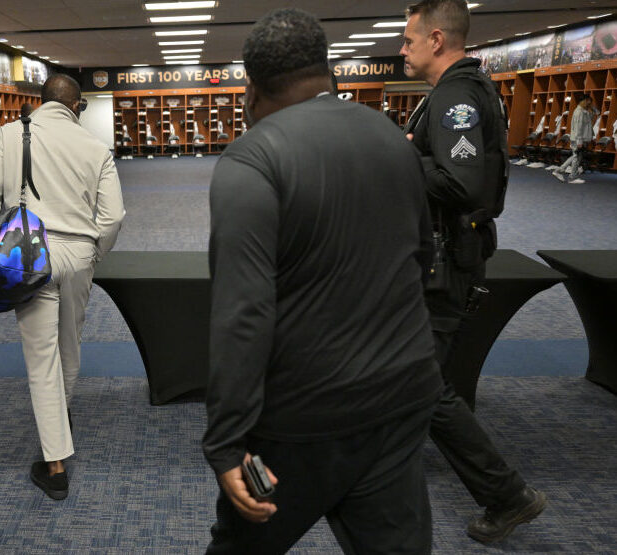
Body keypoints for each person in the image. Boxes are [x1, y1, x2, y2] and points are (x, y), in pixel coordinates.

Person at [202, 9, 443, 554]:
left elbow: (243, 312)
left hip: (303, 420)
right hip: (403, 396)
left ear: (251, 87)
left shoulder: (252, 159)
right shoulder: (391, 136)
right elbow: (420, 258)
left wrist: (225, 440)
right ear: (326, 70)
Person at [400, 0, 546, 544]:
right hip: (445, 254)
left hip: (445, 261)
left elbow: (463, 185)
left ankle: (506, 495)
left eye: (409, 39)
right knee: (412, 372)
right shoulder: (459, 90)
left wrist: (400, 158)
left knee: (424, 383)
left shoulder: (457, 96)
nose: (402, 48)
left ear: (437, 40)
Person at [0, 74, 124, 500]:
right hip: (76, 256)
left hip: (28, 255)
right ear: (77, 106)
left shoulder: (10, 134)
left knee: (42, 357)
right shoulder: (95, 147)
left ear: (40, 102)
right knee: (69, 347)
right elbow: (112, 218)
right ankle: (60, 419)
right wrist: (93, 255)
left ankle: (55, 465)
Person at [553, 94, 595, 184]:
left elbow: (591, 119)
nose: (589, 104)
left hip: (580, 138)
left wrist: (592, 109)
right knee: (576, 157)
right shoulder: (579, 112)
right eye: (589, 102)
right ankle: (572, 177)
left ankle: (559, 171)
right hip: (578, 138)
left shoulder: (584, 111)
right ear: (584, 101)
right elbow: (578, 128)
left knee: (575, 156)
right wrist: (579, 141)